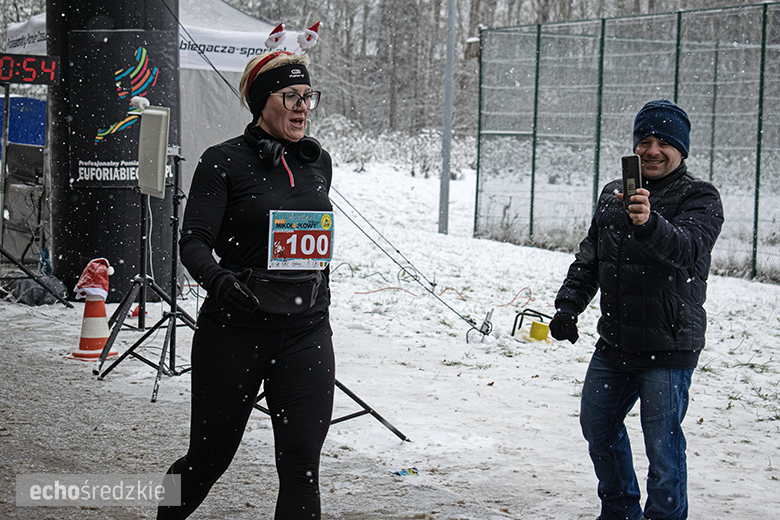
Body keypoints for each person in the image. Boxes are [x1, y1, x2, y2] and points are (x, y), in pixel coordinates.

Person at [157, 51, 335, 520]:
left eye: (308, 97)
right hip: (235, 331)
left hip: (305, 332)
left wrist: (321, 301)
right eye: (291, 96)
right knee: (208, 461)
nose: (302, 106)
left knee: (302, 466)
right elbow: (193, 240)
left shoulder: (319, 164)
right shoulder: (223, 162)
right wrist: (218, 281)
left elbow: (318, 245)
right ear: (261, 102)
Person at [549, 99, 724, 520]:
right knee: (599, 428)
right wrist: (568, 306)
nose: (652, 150)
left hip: (667, 347)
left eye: (664, 142)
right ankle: (620, 510)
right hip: (615, 343)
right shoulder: (614, 193)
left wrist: (649, 223)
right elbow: (592, 258)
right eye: (644, 141)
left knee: (663, 447)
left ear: (682, 151)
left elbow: (688, 250)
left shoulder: (699, 197)